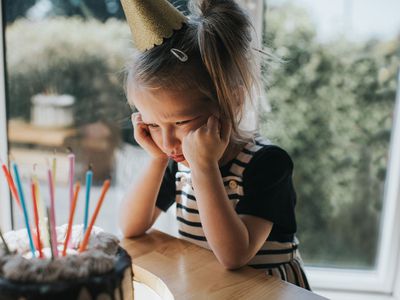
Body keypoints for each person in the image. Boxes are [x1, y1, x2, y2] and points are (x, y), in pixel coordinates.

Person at [119, 0, 310, 290]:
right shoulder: (176, 162)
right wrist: (157, 160)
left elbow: (234, 255)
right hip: (213, 287)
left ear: (230, 100)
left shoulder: (267, 164)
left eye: (181, 123)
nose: (168, 142)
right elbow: (131, 227)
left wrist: (204, 167)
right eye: (153, 125)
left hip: (267, 290)